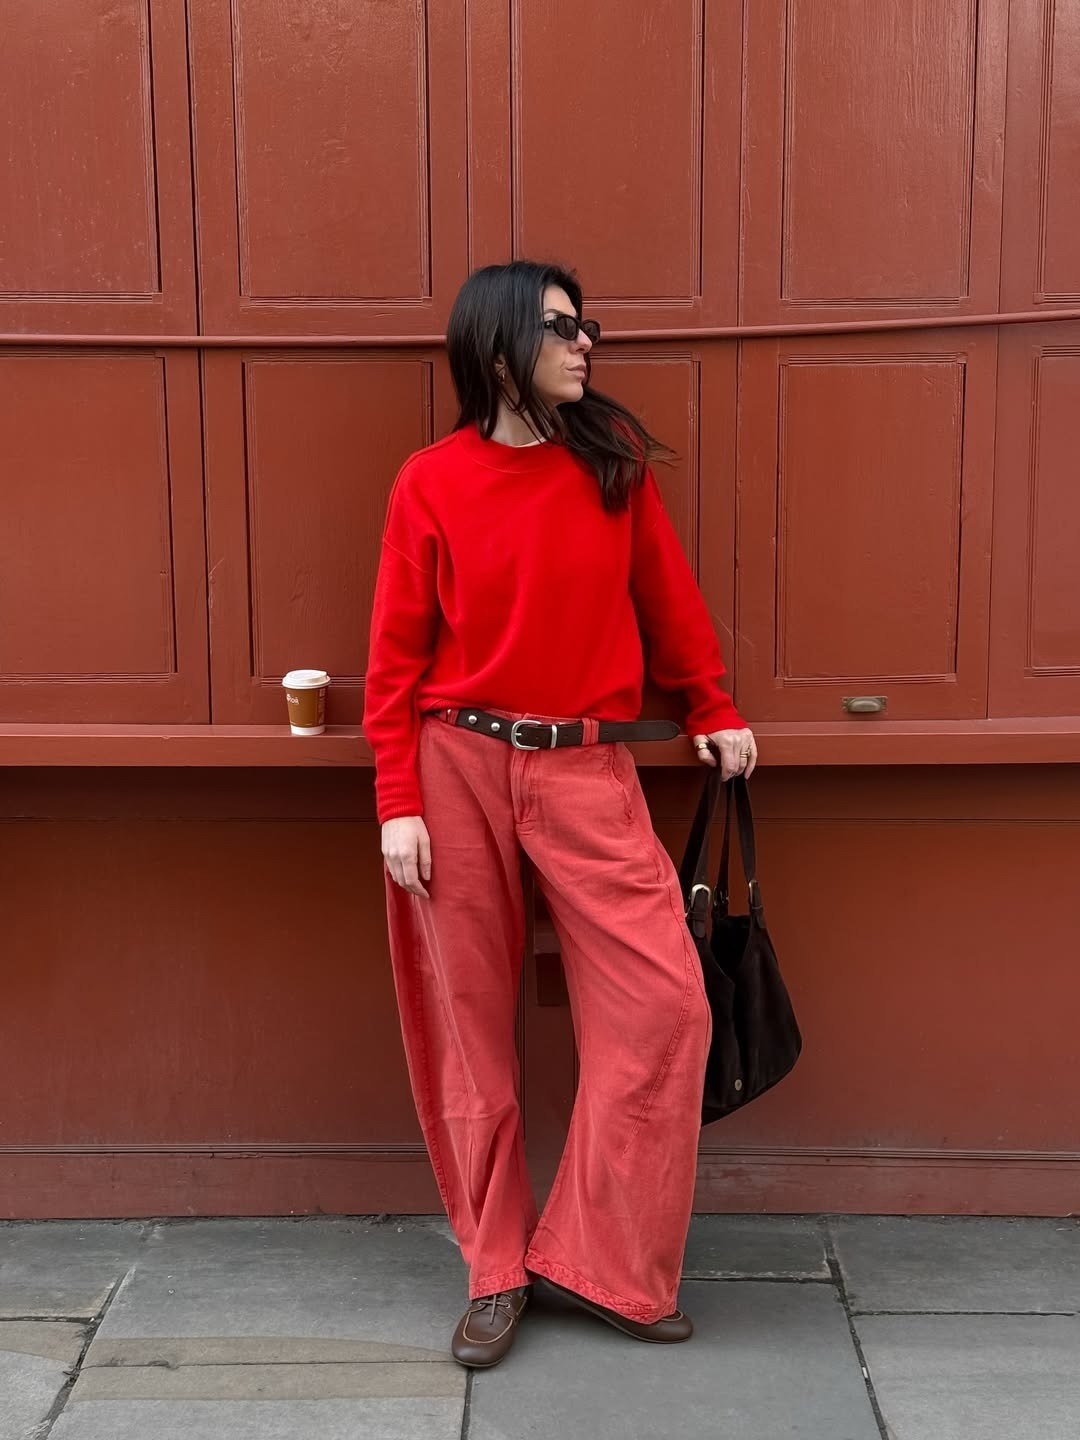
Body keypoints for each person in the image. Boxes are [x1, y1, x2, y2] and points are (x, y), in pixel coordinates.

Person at [364, 260, 757, 1369]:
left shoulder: (613, 469)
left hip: (586, 769)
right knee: (470, 1034)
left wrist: (713, 708)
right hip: (455, 767)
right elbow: (393, 660)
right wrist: (400, 801)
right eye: (563, 329)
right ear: (499, 351)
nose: (586, 345)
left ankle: (601, 1261)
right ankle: (494, 1269)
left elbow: (669, 603)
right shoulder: (429, 483)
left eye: (590, 328)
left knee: (668, 1007)